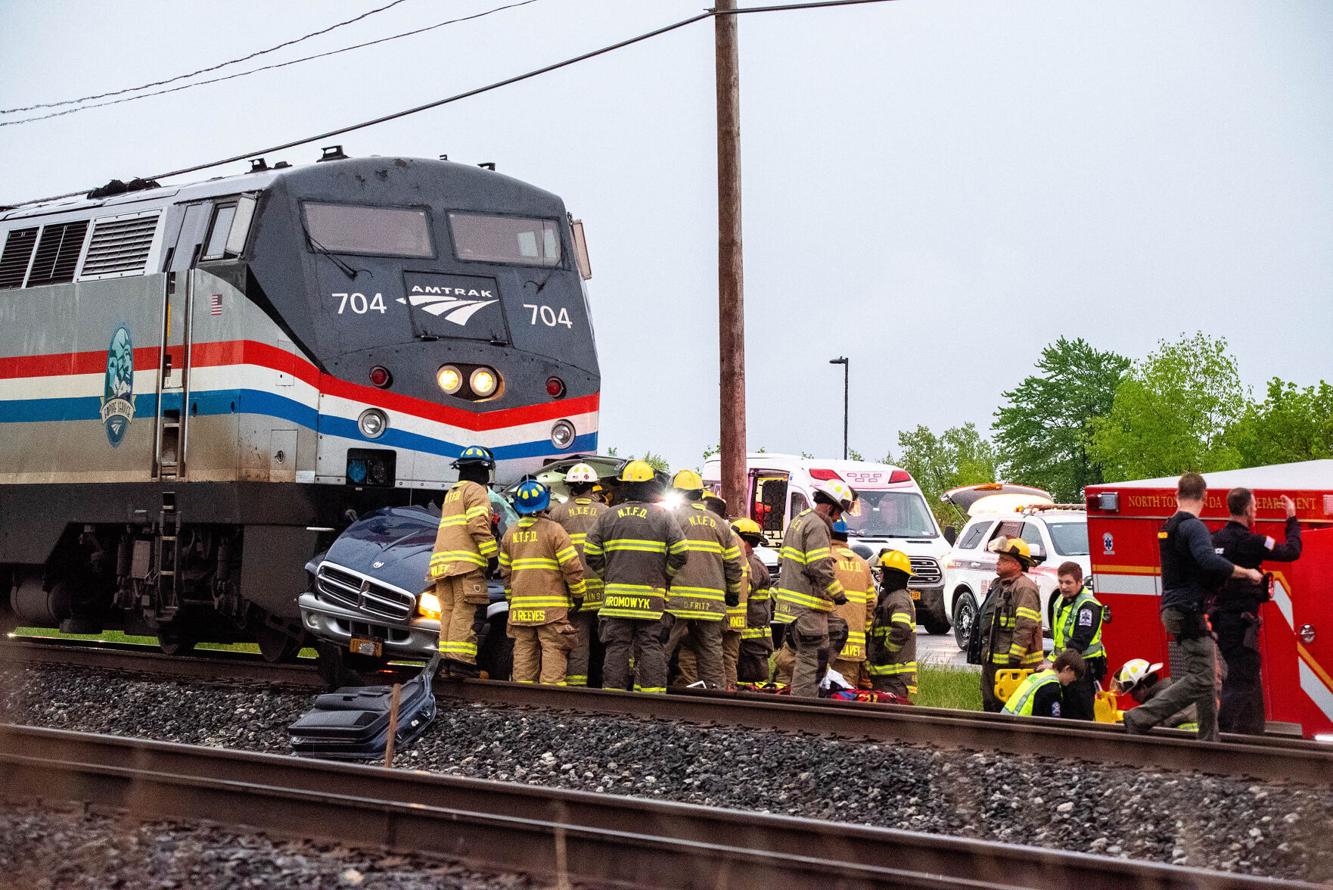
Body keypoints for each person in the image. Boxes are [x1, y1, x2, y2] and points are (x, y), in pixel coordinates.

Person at [1122, 472, 1262, 740]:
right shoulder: (1193, 526)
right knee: (1203, 678)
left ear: (1177, 494)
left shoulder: (1169, 525)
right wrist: (1247, 573)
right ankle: (1139, 717)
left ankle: (1209, 739)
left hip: (1177, 609)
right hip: (1187, 610)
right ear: (1205, 496)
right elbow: (1208, 560)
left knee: (1208, 674)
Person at [583, 460, 688, 694]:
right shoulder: (664, 517)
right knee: (651, 646)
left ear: (625, 487)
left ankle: (614, 697)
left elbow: (590, 551)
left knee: (616, 647)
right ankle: (652, 698)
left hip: (616, 599)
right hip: (651, 599)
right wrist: (665, 575)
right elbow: (681, 552)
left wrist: (606, 575)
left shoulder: (608, 516)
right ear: (650, 486)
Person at [1210, 488, 1302, 735]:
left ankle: (1252, 733)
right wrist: (1292, 518)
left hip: (1219, 620)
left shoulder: (1214, 539)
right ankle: (1223, 732)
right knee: (1244, 674)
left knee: (1248, 673)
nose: (1257, 512)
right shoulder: (1253, 542)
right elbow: (1292, 551)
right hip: (1240, 623)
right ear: (1248, 509)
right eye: (1256, 507)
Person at [773, 478, 857, 697]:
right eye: (839, 512)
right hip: (808, 607)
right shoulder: (818, 525)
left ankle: (816, 684)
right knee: (811, 661)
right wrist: (838, 593)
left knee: (838, 628)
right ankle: (802, 706)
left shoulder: (799, 521)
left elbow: (784, 559)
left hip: (797, 608)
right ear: (830, 506)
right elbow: (819, 566)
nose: (838, 518)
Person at [662, 471, 744, 690]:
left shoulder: (672, 519)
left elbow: (661, 557)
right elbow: (734, 565)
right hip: (712, 604)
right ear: (700, 494)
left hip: (677, 602)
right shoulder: (720, 524)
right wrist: (733, 594)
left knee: (660, 650)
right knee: (712, 656)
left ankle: (649, 694)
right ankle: (715, 699)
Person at [498, 481, 586, 685]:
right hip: (550, 609)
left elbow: (506, 573)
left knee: (523, 652)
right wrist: (578, 594)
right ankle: (551, 699)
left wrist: (512, 601)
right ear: (545, 503)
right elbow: (572, 566)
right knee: (553, 649)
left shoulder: (510, 534)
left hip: (520, 609)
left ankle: (524, 697)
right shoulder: (554, 530)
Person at [427, 445, 498, 676]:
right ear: (484, 470)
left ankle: (446, 662)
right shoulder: (477, 491)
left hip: (442, 564)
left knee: (448, 610)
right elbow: (477, 525)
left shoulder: (452, 493)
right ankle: (461, 662)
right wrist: (491, 554)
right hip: (465, 564)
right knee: (464, 610)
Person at [548, 462, 608, 688]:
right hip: (603, 589)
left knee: (578, 641)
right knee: (609, 640)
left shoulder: (557, 513)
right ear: (593, 487)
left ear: (569, 487)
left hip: (574, 589)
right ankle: (605, 683)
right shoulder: (605, 512)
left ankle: (577, 686)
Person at [978, 536, 1043, 712]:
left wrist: (1015, 657)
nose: (997, 562)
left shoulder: (1024, 588)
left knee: (1011, 708)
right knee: (991, 706)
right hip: (995, 662)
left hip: (1016, 665)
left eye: (1003, 559)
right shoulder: (1000, 585)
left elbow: (1025, 625)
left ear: (1017, 564)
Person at [1051, 561, 1106, 720]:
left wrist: (1055, 665)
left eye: (1068, 582)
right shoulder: (1060, 601)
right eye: (1060, 582)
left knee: (1081, 713)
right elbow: (1059, 641)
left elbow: (1079, 642)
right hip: (1066, 665)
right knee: (1066, 710)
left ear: (1080, 582)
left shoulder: (1088, 606)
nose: (1063, 587)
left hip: (1083, 669)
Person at [866, 549, 917, 701]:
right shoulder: (889, 597)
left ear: (892, 575)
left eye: (883, 571)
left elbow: (901, 629)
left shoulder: (899, 600)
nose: (880, 575)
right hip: (885, 677)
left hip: (894, 678)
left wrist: (885, 652)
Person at [829, 521, 875, 687]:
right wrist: (864, 629)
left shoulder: (824, 559)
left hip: (827, 643)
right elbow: (871, 603)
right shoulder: (863, 564)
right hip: (854, 649)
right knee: (846, 698)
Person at [733, 518, 774, 683]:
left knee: (753, 684)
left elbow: (742, 594)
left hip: (754, 641)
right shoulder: (745, 562)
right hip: (747, 638)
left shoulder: (753, 565)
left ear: (745, 542)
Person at [1114, 658, 1198, 732]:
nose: (1133, 698)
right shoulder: (1167, 692)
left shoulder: (1163, 700)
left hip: (1193, 746)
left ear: (1143, 687)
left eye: (1133, 693)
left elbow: (1146, 721)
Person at [1002, 651, 1086, 718]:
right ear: (1067, 669)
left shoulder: (1037, 677)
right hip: (1019, 732)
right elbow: (1051, 723)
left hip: (1007, 724)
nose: (1073, 680)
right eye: (1074, 676)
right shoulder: (1052, 689)